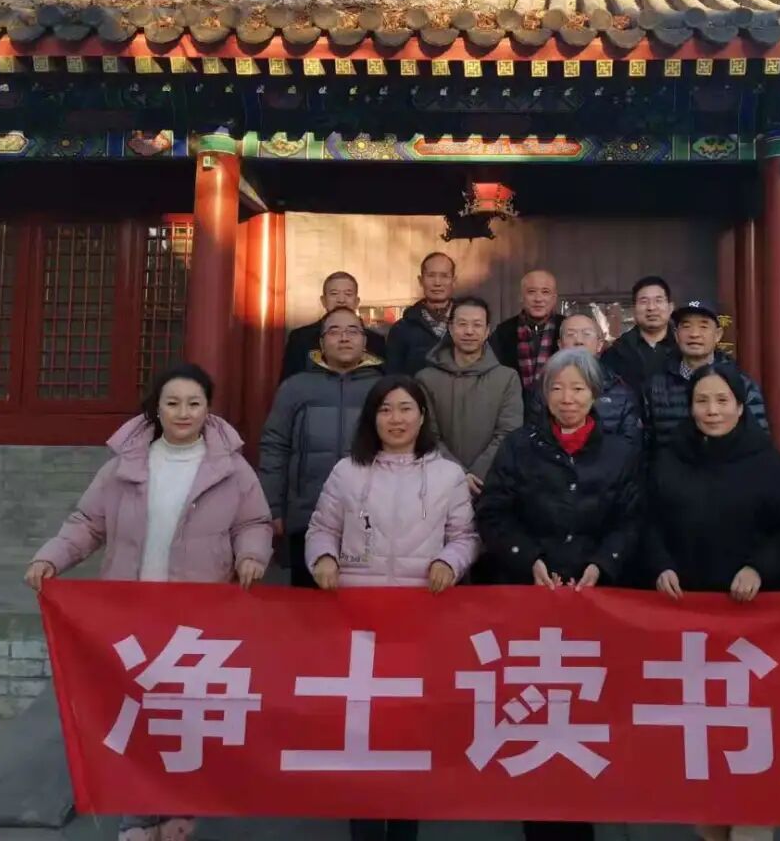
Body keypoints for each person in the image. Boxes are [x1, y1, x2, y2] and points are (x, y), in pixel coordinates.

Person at [24, 363, 272, 841]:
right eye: (172, 403)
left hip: (195, 615)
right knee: (135, 712)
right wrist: (51, 556)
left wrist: (251, 556)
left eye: (194, 403)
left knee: (184, 714)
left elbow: (254, 523)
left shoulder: (231, 469)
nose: (183, 412)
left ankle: (179, 809)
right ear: (156, 408)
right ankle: (136, 815)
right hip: (131, 612)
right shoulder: (127, 465)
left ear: (208, 409)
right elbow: (87, 522)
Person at [647, 362, 780, 841]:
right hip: (690, 627)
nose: (712, 410)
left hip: (755, 629)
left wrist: (760, 568)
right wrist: (659, 564)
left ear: (741, 408)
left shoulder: (765, 462)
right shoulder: (669, 459)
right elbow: (647, 523)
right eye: (702, 401)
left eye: (722, 401)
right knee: (704, 737)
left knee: (750, 733)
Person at [477, 347, 640, 841]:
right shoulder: (519, 447)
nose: (567, 398)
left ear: (595, 394)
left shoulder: (620, 452)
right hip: (531, 598)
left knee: (586, 714)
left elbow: (632, 519)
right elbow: (493, 512)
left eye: (578, 388)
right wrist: (527, 558)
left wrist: (603, 564)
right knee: (533, 713)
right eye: (557, 388)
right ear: (544, 394)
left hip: (593, 602)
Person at [306, 376, 479, 841]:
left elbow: (465, 537)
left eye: (405, 409)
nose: (396, 419)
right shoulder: (347, 472)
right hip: (357, 624)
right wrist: (322, 558)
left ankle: (405, 831)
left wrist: (449, 562)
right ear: (372, 418)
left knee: (408, 734)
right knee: (362, 733)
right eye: (385, 410)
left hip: (419, 623)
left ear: (422, 417)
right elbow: (321, 529)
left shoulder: (446, 475)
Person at [260, 306, 383, 588]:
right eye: (334, 331)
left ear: (365, 341)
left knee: (364, 602)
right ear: (321, 342)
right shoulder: (295, 387)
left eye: (352, 331)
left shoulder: (382, 387)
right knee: (308, 605)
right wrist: (273, 507)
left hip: (370, 515)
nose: (344, 338)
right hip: (307, 512)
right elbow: (274, 445)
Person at [415, 296, 523, 499]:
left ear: (487, 330)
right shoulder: (426, 379)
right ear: (450, 328)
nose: (469, 331)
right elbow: (428, 434)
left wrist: (477, 473)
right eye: (462, 324)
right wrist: (459, 475)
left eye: (477, 325)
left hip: (491, 484)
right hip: (438, 485)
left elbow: (508, 432)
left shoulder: (506, 378)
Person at [647, 299, 767, 460]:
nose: (694, 334)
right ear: (676, 335)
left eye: (703, 326)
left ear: (718, 335)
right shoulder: (656, 385)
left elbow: (758, 441)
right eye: (686, 326)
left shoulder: (741, 384)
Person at [525, 312, 643, 452]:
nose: (578, 341)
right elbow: (532, 440)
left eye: (586, 334)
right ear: (560, 345)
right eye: (571, 334)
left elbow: (630, 446)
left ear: (599, 345)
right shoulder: (544, 388)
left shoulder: (620, 390)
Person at [280, 271, 386, 381]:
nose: (341, 300)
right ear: (323, 301)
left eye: (348, 294)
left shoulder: (375, 340)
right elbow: (289, 382)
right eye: (334, 294)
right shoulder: (300, 338)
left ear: (357, 301)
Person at [602, 275, 678, 397]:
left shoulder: (683, 347)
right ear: (634, 309)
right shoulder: (616, 352)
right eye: (644, 301)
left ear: (670, 308)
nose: (651, 307)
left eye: (658, 300)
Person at [491, 269, 565, 391]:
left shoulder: (567, 328)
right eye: (531, 292)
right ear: (521, 297)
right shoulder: (503, 332)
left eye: (545, 292)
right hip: (515, 401)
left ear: (554, 298)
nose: (538, 299)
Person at [385, 252, 457, 375]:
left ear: (453, 281)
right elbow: (393, 376)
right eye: (431, 275)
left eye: (444, 276)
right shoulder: (401, 329)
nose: (437, 283)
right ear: (420, 280)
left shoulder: (468, 324)